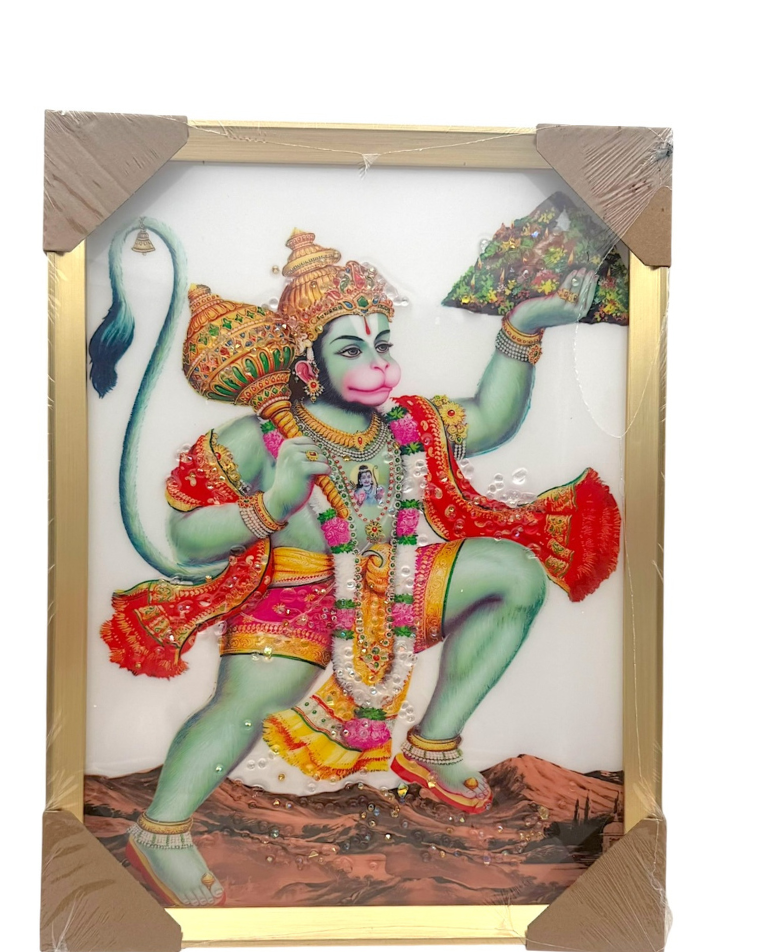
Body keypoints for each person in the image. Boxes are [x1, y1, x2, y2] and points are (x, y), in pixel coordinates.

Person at [100, 229, 621, 907]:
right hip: (288, 599)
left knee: (514, 573)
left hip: (392, 582)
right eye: (351, 349)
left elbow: (493, 418)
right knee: (243, 707)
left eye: (383, 345)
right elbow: (187, 538)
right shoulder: (259, 438)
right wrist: (272, 503)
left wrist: (523, 327)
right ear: (308, 364)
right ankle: (162, 830)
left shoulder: (405, 423)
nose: (379, 365)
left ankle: (433, 743)